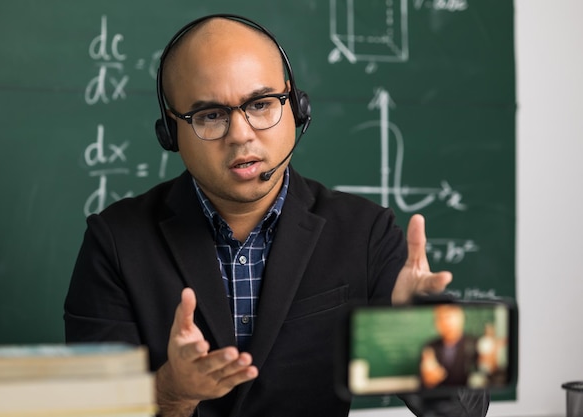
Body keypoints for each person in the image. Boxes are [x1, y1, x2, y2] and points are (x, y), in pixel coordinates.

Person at [64, 14, 488, 417]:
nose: (241, 134)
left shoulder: (366, 233)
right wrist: (172, 392)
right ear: (170, 132)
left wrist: (420, 334)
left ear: (296, 107)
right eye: (211, 115)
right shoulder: (115, 241)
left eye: (262, 104)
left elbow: (466, 412)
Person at [420, 304, 479, 388]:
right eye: (440, 318)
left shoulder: (477, 344)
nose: (446, 322)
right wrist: (428, 380)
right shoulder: (429, 347)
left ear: (461, 318)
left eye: (448, 317)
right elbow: (423, 384)